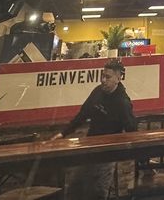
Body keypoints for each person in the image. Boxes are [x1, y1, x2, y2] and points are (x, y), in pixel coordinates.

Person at [50, 58, 137, 200]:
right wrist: (63, 133)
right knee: (74, 189)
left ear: (118, 78)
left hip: (107, 153)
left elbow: (132, 130)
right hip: (90, 148)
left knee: (97, 193)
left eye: (107, 77)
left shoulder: (122, 102)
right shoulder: (98, 92)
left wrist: (125, 150)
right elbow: (82, 115)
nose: (103, 80)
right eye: (102, 76)